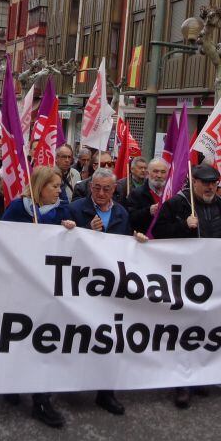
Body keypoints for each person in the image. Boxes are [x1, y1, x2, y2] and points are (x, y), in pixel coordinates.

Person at [151, 163, 221, 408]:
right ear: (194, 182)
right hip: (184, 278)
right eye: (205, 182)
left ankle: (199, 375)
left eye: (214, 182)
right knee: (184, 330)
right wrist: (182, 226)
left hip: (214, 277)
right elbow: (157, 233)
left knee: (206, 328)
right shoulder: (177, 204)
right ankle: (181, 383)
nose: (210, 186)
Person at [1, 166, 76, 427]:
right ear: (40, 187)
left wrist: (71, 231)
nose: (59, 191)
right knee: (18, 335)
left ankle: (41, 399)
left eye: (59, 186)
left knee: (44, 339)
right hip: (21, 285)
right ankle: (10, 382)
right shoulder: (17, 209)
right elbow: (0, 239)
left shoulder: (63, 211)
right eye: (54, 186)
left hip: (49, 286)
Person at [67, 168, 137, 416]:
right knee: (78, 334)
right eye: (96, 188)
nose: (101, 193)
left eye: (106, 189)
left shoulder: (120, 212)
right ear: (90, 187)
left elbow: (125, 244)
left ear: (114, 190)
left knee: (110, 337)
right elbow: (64, 243)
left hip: (110, 286)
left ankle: (106, 392)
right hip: (82, 282)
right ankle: (70, 381)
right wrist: (87, 229)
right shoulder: (75, 209)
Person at [126, 158, 169, 233]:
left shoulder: (172, 194)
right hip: (144, 240)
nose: (159, 175)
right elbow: (130, 218)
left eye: (163, 172)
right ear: (148, 174)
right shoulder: (136, 194)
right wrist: (148, 211)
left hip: (164, 241)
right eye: (155, 171)